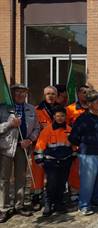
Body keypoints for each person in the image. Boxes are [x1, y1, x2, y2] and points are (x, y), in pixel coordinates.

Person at [69, 90, 98, 216]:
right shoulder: (82, 119)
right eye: (96, 101)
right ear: (89, 104)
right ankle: (84, 205)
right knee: (87, 182)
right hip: (89, 154)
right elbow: (73, 137)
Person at [0, 84, 39, 223]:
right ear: (12, 93)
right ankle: (3, 208)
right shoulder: (4, 108)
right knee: (4, 179)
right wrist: (9, 124)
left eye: (23, 92)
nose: (20, 94)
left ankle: (19, 205)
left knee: (21, 177)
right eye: (17, 92)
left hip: (22, 147)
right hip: (6, 148)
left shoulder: (31, 108)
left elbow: (36, 128)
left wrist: (29, 140)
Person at [34, 106, 73, 217]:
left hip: (65, 162)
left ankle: (59, 204)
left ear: (65, 117)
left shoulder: (69, 130)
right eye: (57, 116)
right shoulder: (47, 130)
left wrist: (72, 156)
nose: (60, 118)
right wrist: (39, 159)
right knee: (51, 184)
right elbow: (40, 146)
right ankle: (48, 204)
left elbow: (73, 146)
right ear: (54, 117)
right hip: (51, 162)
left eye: (62, 116)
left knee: (61, 184)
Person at [33, 85, 58, 210]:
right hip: (40, 146)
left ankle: (51, 198)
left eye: (53, 94)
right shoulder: (36, 110)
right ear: (44, 95)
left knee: (52, 175)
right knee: (38, 173)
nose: (51, 96)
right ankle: (36, 197)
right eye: (48, 94)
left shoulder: (60, 110)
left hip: (55, 148)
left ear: (57, 96)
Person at [66, 85, 89, 202]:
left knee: (87, 169)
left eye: (87, 92)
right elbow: (65, 126)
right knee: (75, 169)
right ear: (78, 94)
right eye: (83, 92)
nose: (85, 94)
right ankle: (74, 191)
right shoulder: (70, 109)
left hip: (89, 144)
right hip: (76, 143)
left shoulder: (91, 107)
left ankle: (85, 190)